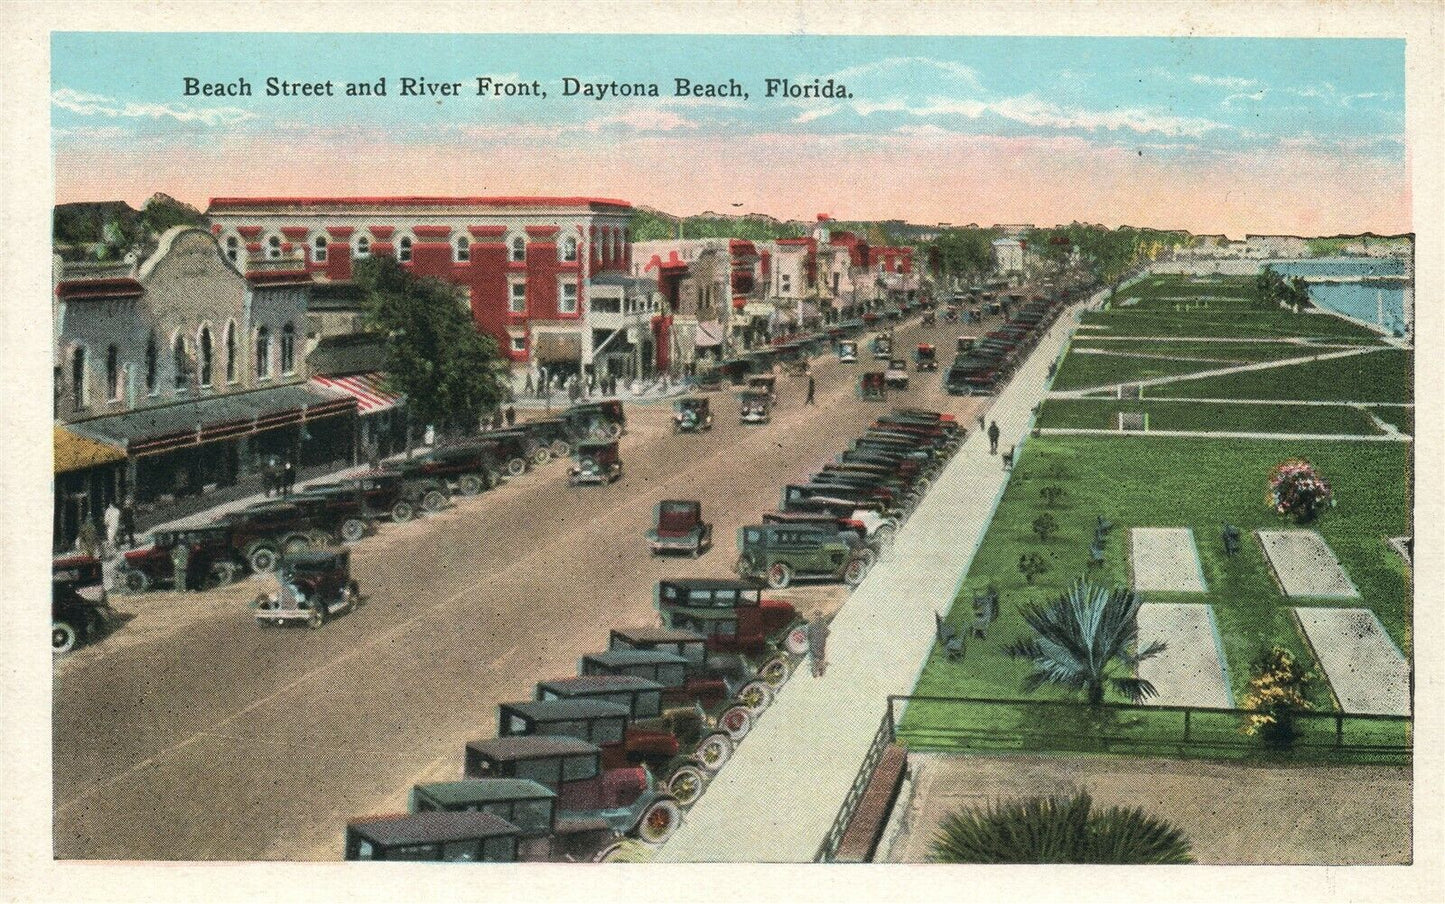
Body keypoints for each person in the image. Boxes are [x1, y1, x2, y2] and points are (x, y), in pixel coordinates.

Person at [807, 610, 830, 677]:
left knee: (814, 658)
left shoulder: (811, 625)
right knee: (821, 657)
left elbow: (808, 636)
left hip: (813, 644)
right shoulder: (823, 625)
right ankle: (821, 672)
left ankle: (815, 672)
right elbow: (827, 633)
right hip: (821, 643)